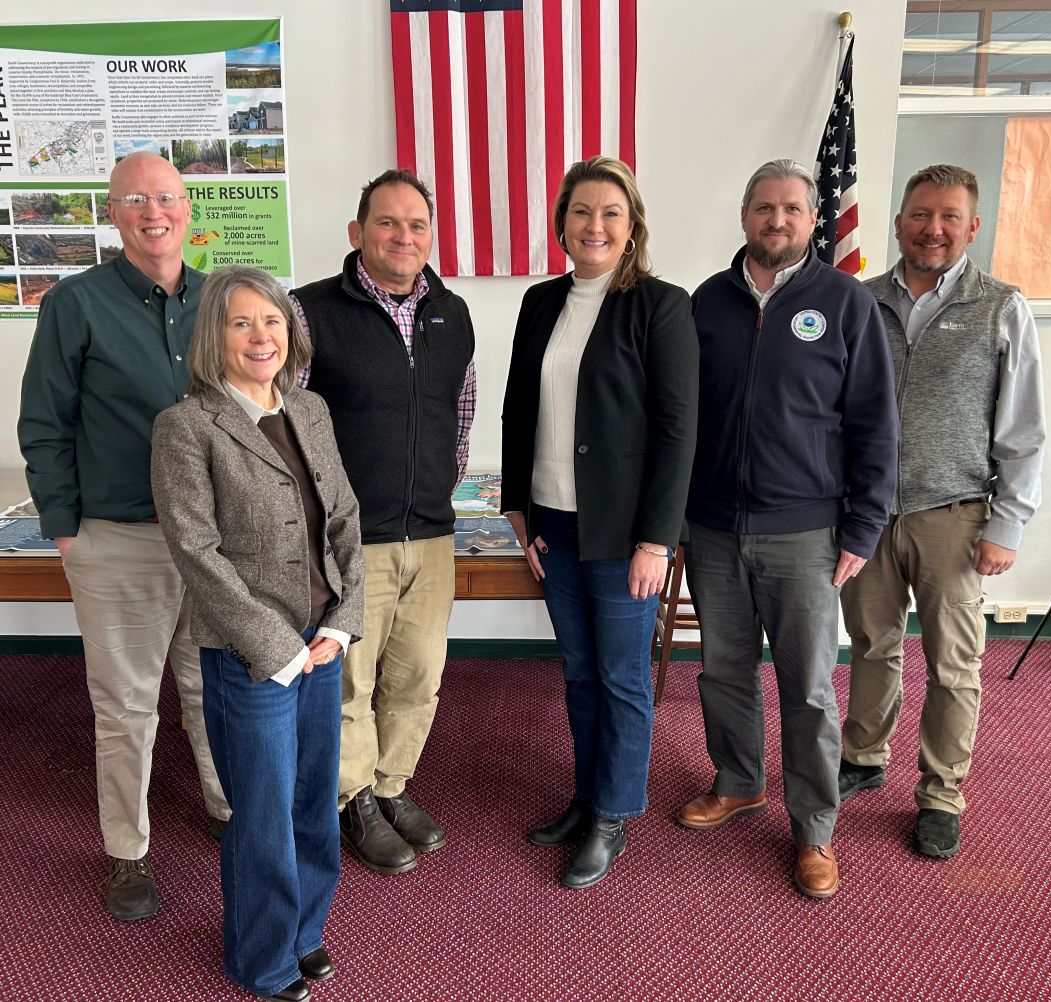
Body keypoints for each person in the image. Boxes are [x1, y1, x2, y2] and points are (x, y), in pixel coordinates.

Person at [17, 151, 229, 921]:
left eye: (166, 197)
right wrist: (66, 530)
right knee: (128, 706)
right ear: (115, 212)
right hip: (118, 538)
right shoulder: (76, 303)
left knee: (214, 690)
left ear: (187, 207)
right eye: (136, 200)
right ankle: (127, 852)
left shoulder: (223, 299)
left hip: (212, 543)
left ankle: (225, 807)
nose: (154, 212)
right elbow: (44, 423)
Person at [678, 159, 898, 899]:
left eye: (793, 209)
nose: (779, 220)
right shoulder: (705, 302)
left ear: (814, 221)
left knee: (807, 689)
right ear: (744, 216)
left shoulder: (844, 302)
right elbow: (680, 421)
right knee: (724, 672)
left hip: (806, 534)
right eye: (765, 208)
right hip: (711, 528)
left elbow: (875, 425)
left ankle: (814, 829)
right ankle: (739, 781)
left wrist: (863, 531)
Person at [151, 266, 364, 1002]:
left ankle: (304, 933)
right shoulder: (186, 426)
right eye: (241, 323)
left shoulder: (309, 410)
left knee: (314, 801)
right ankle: (260, 958)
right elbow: (194, 550)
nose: (260, 336)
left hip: (323, 641)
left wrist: (342, 622)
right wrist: (274, 649)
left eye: (271, 321)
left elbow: (344, 520)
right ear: (214, 336)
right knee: (265, 815)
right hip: (251, 655)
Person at [501, 155, 698, 889]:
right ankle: (585, 798)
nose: (595, 225)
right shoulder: (540, 302)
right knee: (580, 674)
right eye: (582, 211)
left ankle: (613, 815)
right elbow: (520, 406)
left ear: (632, 226)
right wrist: (516, 505)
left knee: (621, 678)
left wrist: (657, 538)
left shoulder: (661, 306)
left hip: (624, 535)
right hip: (552, 518)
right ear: (562, 225)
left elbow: (679, 430)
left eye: (611, 213)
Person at [838, 164, 1045, 860]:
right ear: (898, 222)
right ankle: (863, 757)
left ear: (971, 226)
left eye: (950, 216)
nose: (934, 228)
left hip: (953, 516)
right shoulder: (860, 302)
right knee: (870, 647)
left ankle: (941, 793)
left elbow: (1022, 429)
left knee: (954, 665)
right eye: (921, 214)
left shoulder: (1000, 307)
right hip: (867, 516)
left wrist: (1006, 523)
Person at [289, 169, 475, 876]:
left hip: (429, 532)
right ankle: (353, 797)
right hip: (347, 539)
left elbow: (459, 415)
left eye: (417, 225)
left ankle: (393, 785)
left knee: (418, 676)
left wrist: (433, 488)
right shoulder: (306, 313)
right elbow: (283, 428)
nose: (404, 236)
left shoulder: (450, 313)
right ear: (357, 232)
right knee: (349, 683)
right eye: (388, 223)